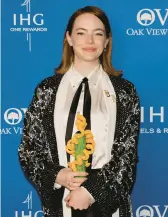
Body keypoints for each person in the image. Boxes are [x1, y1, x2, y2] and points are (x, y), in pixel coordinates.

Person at [18, 5, 140, 217]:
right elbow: (29, 150)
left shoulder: (125, 92)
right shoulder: (46, 90)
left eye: (98, 34)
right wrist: (57, 175)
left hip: (109, 204)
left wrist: (91, 191)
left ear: (107, 41)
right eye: (81, 33)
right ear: (69, 38)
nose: (90, 41)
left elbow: (126, 157)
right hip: (61, 202)